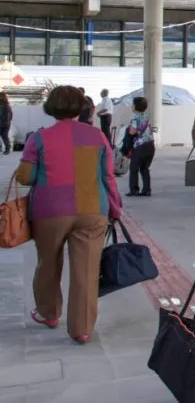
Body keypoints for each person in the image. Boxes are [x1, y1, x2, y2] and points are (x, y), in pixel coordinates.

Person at [15, 85, 123, 344]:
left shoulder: (39, 139)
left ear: (51, 107)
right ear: (80, 107)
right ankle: (82, 329)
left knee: (48, 263)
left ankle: (49, 313)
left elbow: (26, 176)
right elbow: (108, 177)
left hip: (50, 211)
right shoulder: (97, 137)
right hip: (92, 209)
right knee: (86, 270)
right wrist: (115, 208)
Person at [127, 96, 155, 197]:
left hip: (140, 146)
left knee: (134, 168)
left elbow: (132, 131)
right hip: (150, 145)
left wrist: (128, 130)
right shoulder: (146, 117)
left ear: (135, 106)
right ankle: (147, 190)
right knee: (144, 168)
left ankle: (134, 190)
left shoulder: (135, 118)